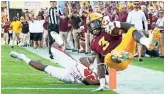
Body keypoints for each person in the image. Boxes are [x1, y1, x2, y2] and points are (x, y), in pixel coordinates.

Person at [85, 12, 160, 91]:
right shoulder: (93, 43)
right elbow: (100, 64)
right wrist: (102, 84)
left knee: (131, 30)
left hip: (125, 51)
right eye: (90, 25)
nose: (93, 27)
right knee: (108, 58)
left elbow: (131, 26)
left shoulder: (109, 29)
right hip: (114, 61)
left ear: (101, 21)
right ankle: (122, 59)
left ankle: (147, 43)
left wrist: (116, 24)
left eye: (94, 23)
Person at [9, 46, 110, 86]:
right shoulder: (99, 64)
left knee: (45, 68)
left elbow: (90, 82)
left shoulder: (109, 78)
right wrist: (90, 66)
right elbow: (82, 59)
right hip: (74, 65)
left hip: (71, 77)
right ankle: (61, 46)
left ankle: (22, 57)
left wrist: (79, 76)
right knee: (54, 46)